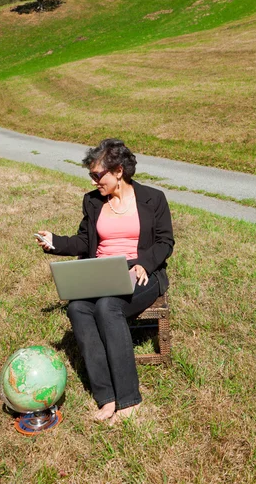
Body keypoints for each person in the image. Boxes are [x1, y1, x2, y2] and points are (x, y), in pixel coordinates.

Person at [35, 138, 174, 425]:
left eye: (99, 175)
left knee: (108, 307)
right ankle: (106, 397)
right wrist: (55, 243)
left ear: (119, 171)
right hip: (101, 269)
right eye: (91, 175)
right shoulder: (93, 201)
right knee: (78, 309)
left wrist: (141, 264)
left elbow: (165, 242)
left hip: (142, 272)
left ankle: (129, 400)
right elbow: (85, 240)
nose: (94, 181)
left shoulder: (153, 199)